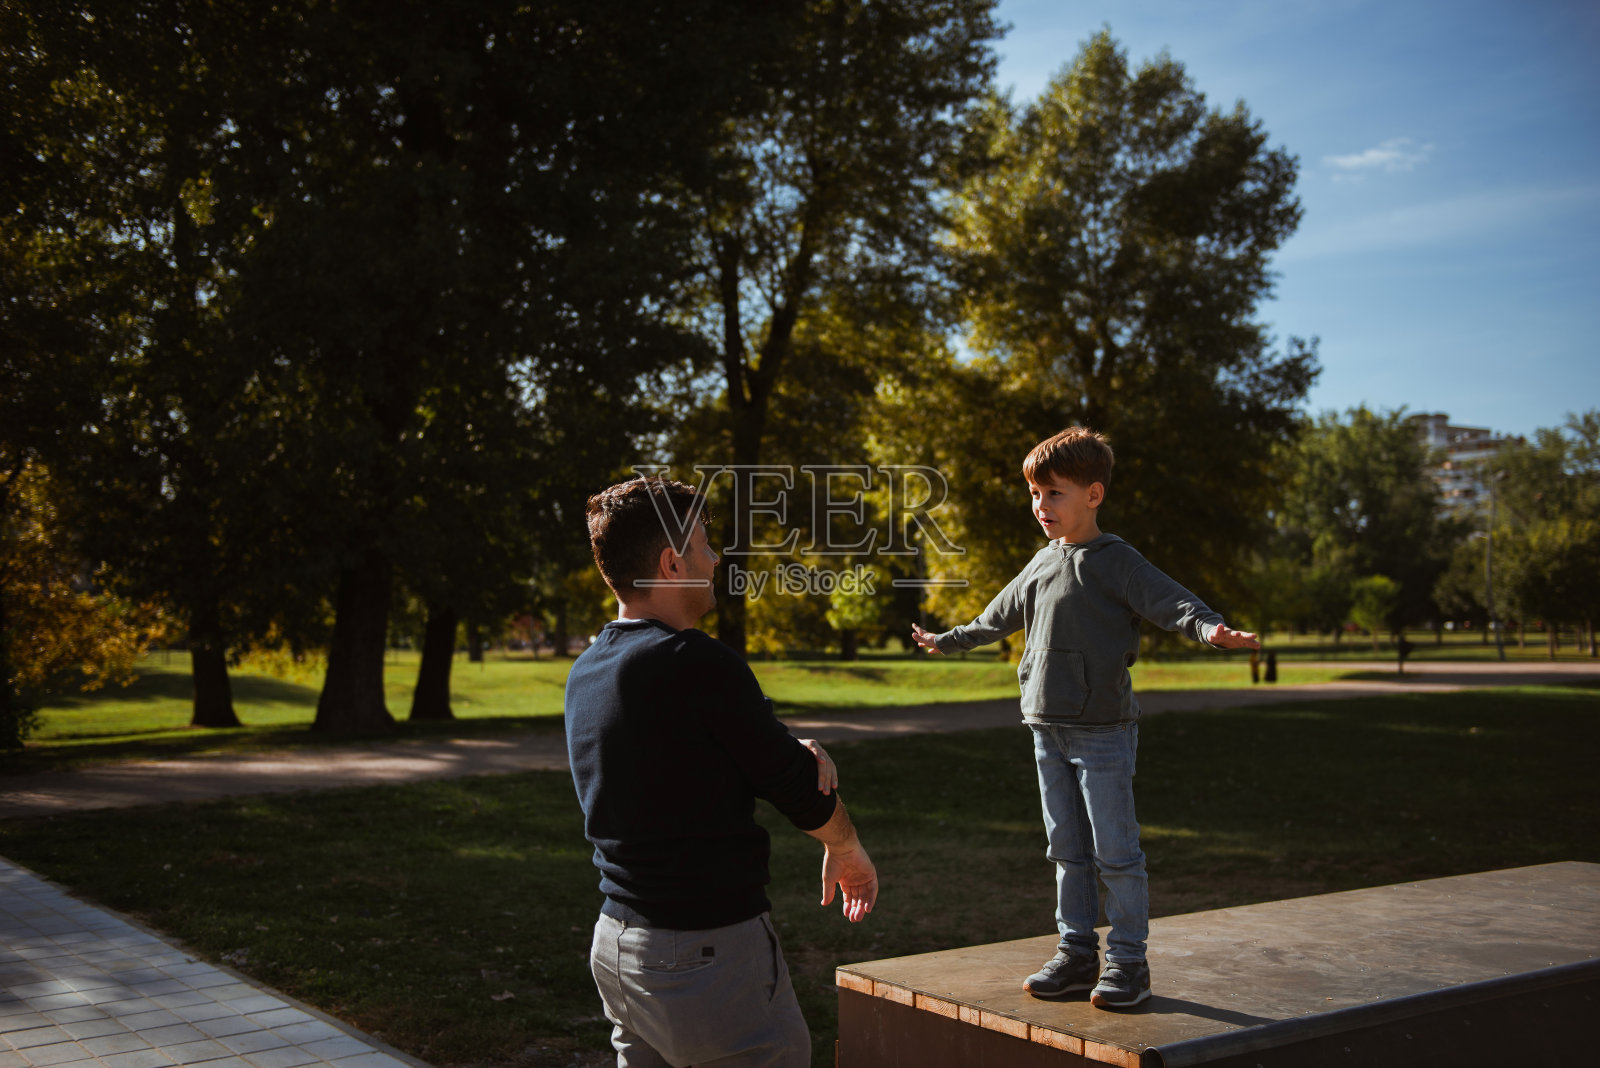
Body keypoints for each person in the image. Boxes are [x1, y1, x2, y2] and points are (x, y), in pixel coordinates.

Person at [911, 427, 1257, 1009]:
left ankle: (1128, 962)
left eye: (1054, 493)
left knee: (1115, 853)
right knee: (1066, 850)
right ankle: (1075, 954)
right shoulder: (1041, 563)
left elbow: (1172, 602)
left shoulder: (1115, 561)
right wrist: (946, 641)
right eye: (1034, 495)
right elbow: (995, 617)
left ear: (1094, 495)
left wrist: (1210, 629)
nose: (1040, 506)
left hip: (1103, 733)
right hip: (1045, 727)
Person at [566, 476, 879, 1067]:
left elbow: (689, 754)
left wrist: (789, 747)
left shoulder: (591, 669)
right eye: (706, 544)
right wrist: (848, 847)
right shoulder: (695, 661)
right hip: (705, 953)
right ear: (671, 561)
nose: (715, 558)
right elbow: (797, 790)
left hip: (618, 945)